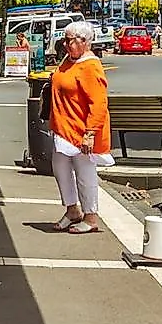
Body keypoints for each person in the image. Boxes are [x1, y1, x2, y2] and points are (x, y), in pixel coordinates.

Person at [42, 19, 111, 234]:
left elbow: (98, 103)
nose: (65, 44)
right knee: (61, 169)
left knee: (85, 173)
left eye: (70, 40)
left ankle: (90, 217)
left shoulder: (90, 66)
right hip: (63, 127)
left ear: (85, 42)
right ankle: (72, 210)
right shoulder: (69, 59)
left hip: (81, 130)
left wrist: (90, 133)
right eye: (65, 39)